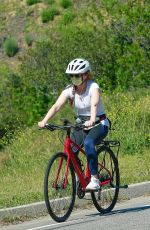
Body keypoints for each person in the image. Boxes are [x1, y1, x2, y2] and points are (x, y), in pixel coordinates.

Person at [38, 58, 109, 190]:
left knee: (88, 143)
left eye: (77, 75)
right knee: (71, 148)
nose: (74, 78)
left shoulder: (93, 87)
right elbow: (56, 106)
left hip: (99, 123)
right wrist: (44, 121)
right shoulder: (70, 90)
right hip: (81, 124)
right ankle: (79, 176)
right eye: (72, 76)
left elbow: (94, 103)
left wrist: (92, 119)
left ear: (85, 75)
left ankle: (94, 179)